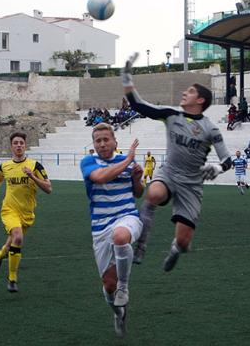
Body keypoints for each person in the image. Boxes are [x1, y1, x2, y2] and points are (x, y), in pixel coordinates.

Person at [121, 52, 232, 270]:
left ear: (200, 100)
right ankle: (141, 246)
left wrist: (218, 167)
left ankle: (175, 250)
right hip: (169, 173)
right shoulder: (171, 115)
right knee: (153, 194)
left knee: (183, 242)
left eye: (190, 91)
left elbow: (227, 159)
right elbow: (139, 105)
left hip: (191, 185)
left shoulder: (211, 128)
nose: (184, 92)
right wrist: (126, 76)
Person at [80, 124, 144, 338]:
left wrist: (136, 178)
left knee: (120, 236)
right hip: (99, 226)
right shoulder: (88, 162)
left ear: (115, 142)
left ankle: (124, 287)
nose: (102, 144)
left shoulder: (126, 161)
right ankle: (118, 313)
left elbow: (137, 193)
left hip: (127, 216)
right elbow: (100, 178)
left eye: (106, 139)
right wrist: (128, 160)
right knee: (108, 285)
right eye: (98, 140)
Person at [0, 132, 52, 292]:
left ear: (25, 145)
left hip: (27, 213)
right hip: (9, 209)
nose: (18, 145)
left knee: (12, 243)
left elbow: (48, 188)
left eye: (21, 143)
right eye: (15, 143)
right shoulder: (5, 166)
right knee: (18, 236)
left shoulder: (35, 166)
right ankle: (12, 278)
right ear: (11, 146)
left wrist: (33, 177)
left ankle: (1, 253)